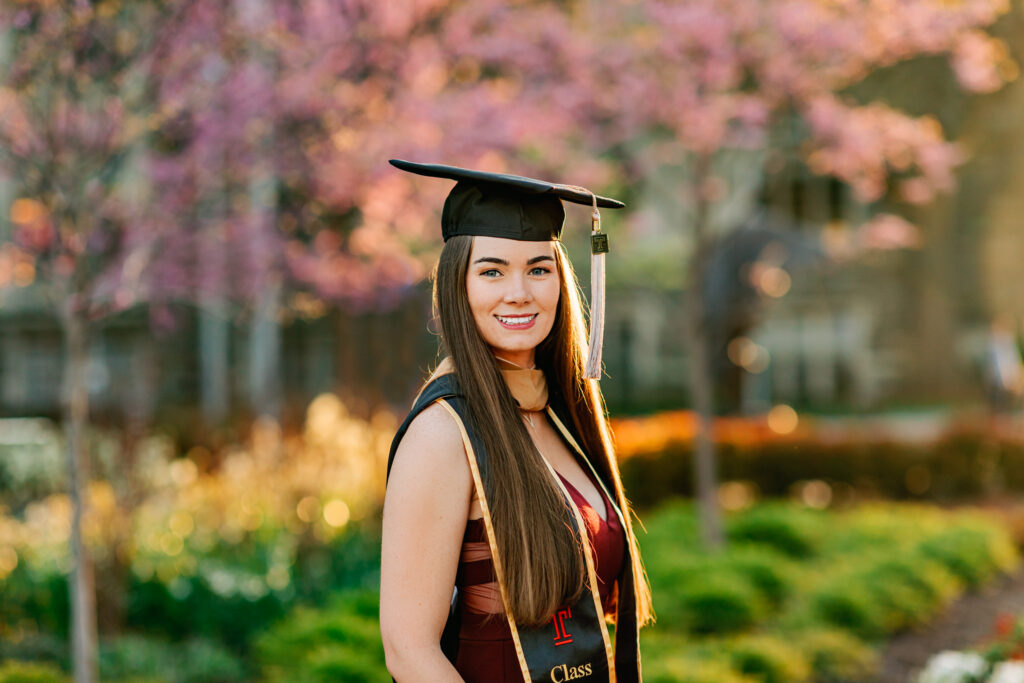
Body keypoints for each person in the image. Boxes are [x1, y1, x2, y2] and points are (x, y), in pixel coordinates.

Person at [380, 160, 653, 683]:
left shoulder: (555, 415)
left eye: (538, 268)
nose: (519, 292)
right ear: (456, 286)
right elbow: (408, 651)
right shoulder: (443, 434)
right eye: (491, 271)